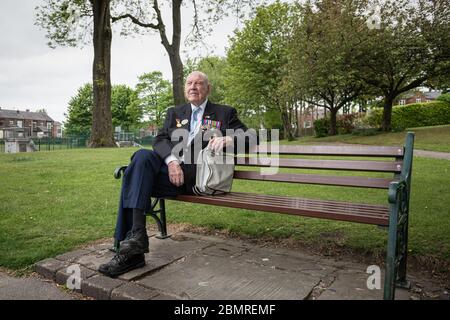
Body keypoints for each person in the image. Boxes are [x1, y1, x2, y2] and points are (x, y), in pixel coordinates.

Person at [98, 71, 254, 277]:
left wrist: (229, 139)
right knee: (142, 157)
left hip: (198, 178)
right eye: (189, 83)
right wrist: (171, 161)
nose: (193, 87)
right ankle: (136, 238)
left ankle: (130, 253)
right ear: (185, 88)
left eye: (199, 83)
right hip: (172, 174)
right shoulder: (175, 112)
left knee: (131, 179)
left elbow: (251, 138)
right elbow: (160, 140)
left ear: (208, 89)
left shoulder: (224, 113)